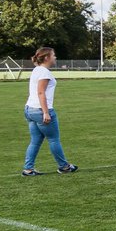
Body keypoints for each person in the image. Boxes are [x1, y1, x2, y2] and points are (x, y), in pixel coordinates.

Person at [22, 46, 78, 176]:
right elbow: (41, 92)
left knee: (35, 140)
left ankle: (28, 169)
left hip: (30, 109)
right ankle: (64, 167)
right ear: (47, 57)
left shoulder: (37, 69)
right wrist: (46, 112)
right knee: (53, 139)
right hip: (40, 110)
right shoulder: (44, 73)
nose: (55, 57)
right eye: (53, 55)